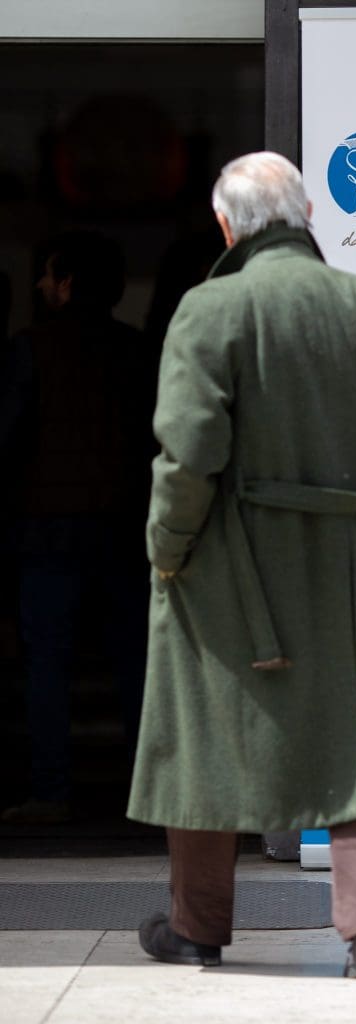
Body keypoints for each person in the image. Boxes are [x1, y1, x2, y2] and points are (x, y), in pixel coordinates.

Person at [128, 152, 356, 979]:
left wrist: (167, 547)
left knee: (206, 735)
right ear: (308, 214)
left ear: (226, 227)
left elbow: (189, 451)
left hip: (236, 569)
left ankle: (196, 926)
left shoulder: (210, 308)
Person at [0, 232, 154, 824]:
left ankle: (51, 793)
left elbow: (8, 438)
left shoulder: (29, 348)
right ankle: (149, 796)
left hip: (47, 532)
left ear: (65, 284)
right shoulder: (137, 351)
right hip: (126, 529)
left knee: (48, 664)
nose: (41, 284)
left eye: (47, 274)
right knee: (137, 666)